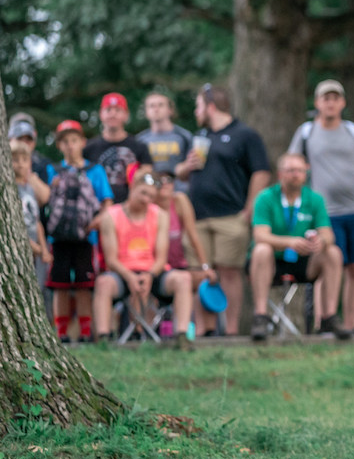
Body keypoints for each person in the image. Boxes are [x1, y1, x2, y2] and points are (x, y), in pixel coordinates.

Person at [177, 84, 271, 335]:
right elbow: (182, 174)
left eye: (198, 106)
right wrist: (186, 167)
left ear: (210, 106)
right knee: (200, 274)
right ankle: (204, 331)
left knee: (230, 273)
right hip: (197, 218)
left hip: (231, 216)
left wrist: (248, 211)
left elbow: (261, 173)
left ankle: (230, 332)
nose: (196, 112)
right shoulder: (201, 136)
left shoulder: (245, 135)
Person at [287, 79, 354, 335]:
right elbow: (294, 164)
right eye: (326, 98)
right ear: (317, 103)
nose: (331, 103)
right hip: (325, 212)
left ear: (343, 103)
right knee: (328, 264)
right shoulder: (306, 133)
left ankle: (353, 323)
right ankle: (323, 321)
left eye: (335, 98)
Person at [248, 153, 348, 341]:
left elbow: (328, 234)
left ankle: (329, 316)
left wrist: (321, 242)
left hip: (304, 262)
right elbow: (260, 235)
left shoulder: (314, 199)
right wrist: (289, 242)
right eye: (290, 170)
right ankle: (260, 316)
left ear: (306, 173)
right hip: (273, 262)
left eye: (300, 170)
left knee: (333, 252)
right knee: (261, 249)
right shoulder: (266, 197)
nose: (295, 175)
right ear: (280, 174)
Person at [93, 169, 196, 346]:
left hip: (153, 271)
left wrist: (149, 275)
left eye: (151, 196)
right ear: (132, 187)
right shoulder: (111, 216)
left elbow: (161, 258)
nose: (146, 200)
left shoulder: (160, 216)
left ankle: (182, 336)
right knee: (103, 283)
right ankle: (103, 338)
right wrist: (130, 277)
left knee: (184, 278)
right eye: (143, 193)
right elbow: (111, 260)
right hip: (122, 272)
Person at [45, 120, 114, 343]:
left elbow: (107, 203)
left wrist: (96, 223)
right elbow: (45, 200)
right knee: (60, 285)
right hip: (59, 238)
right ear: (59, 145)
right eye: (65, 141)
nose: (70, 145)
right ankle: (61, 333)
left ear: (82, 142)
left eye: (74, 140)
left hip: (87, 238)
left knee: (85, 285)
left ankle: (86, 332)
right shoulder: (52, 171)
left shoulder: (95, 170)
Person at [151, 170, 219, 319]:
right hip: (156, 268)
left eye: (169, 180)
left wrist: (205, 267)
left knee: (207, 280)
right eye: (160, 180)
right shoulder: (149, 208)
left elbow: (193, 236)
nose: (165, 184)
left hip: (179, 265)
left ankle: (205, 333)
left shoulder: (179, 201)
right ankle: (144, 333)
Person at [83, 93, 153, 204]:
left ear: (126, 115)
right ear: (101, 114)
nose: (113, 114)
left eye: (118, 110)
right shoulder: (88, 148)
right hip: (97, 207)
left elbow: (148, 175)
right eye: (108, 110)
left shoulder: (139, 146)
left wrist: (140, 174)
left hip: (131, 207)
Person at [12, 140, 52, 287]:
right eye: (15, 160)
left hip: (36, 246)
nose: (20, 164)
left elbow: (37, 221)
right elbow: (12, 223)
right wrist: (32, 245)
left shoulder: (30, 189)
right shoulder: (10, 189)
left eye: (24, 159)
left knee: (36, 286)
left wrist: (44, 248)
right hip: (19, 245)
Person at [136, 92, 194, 193]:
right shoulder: (140, 140)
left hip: (179, 193)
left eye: (161, 105)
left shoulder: (184, 136)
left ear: (170, 110)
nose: (156, 109)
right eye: (151, 106)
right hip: (151, 194)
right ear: (146, 112)